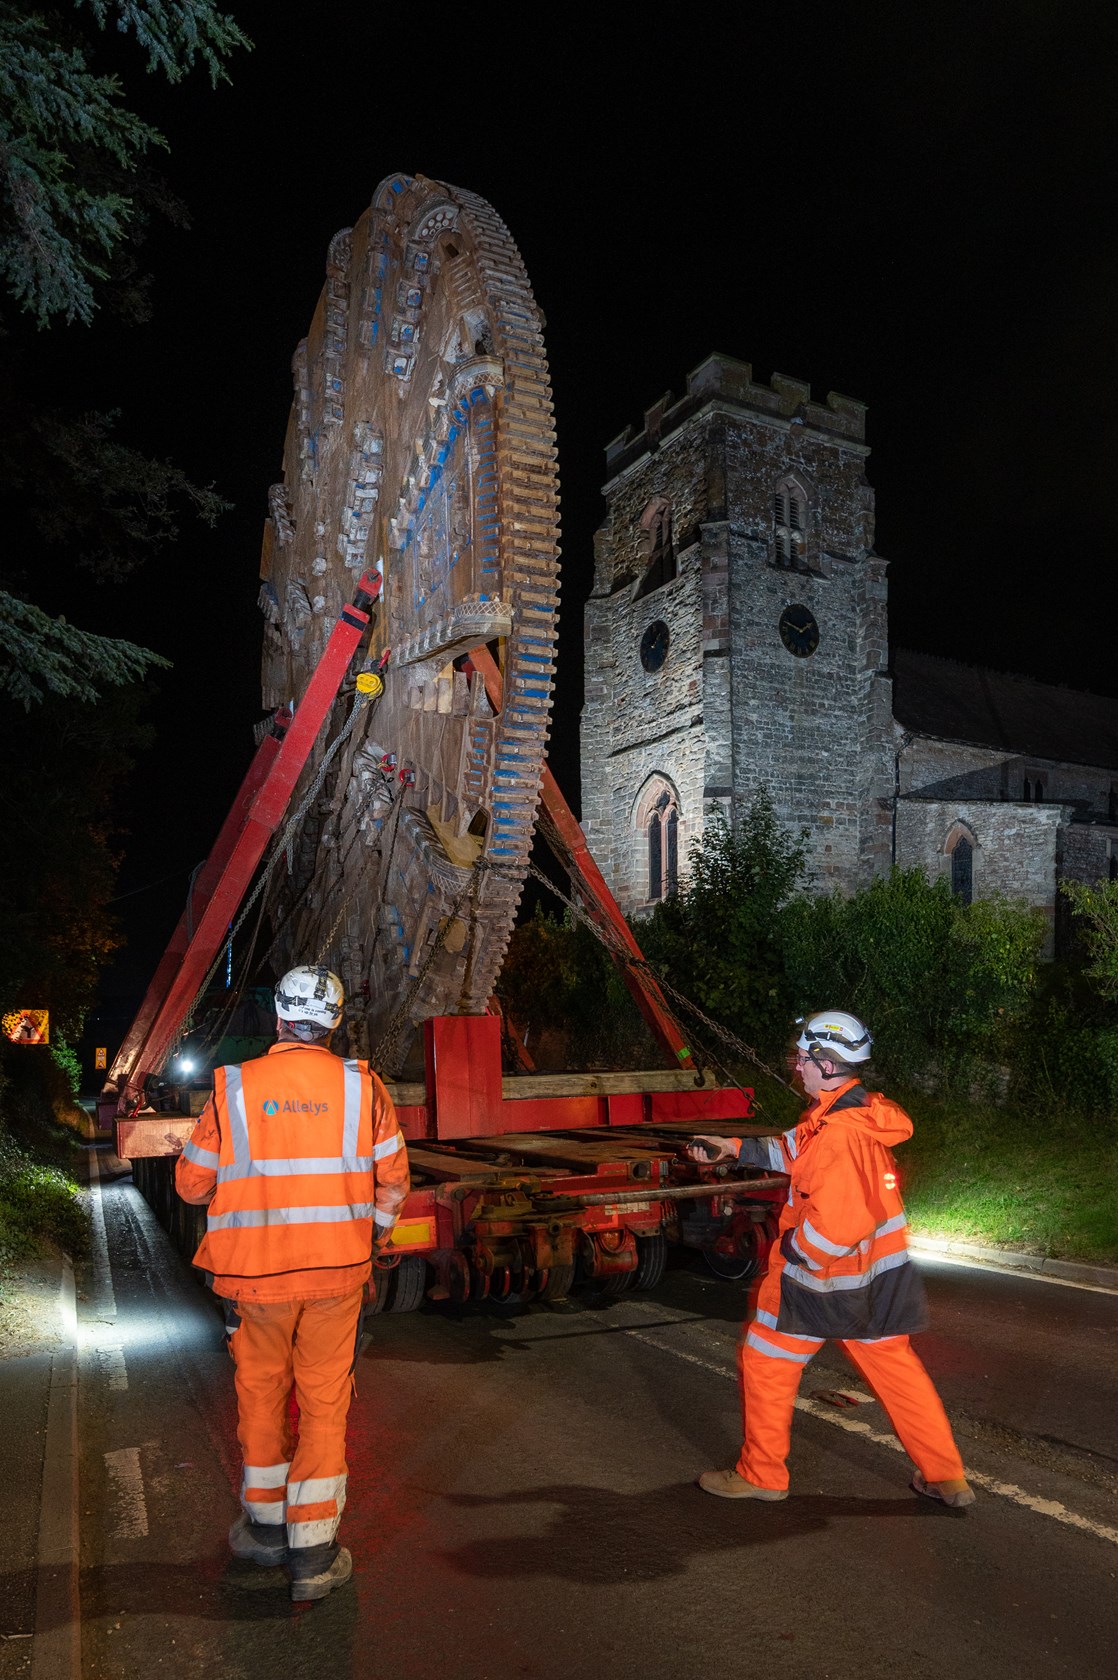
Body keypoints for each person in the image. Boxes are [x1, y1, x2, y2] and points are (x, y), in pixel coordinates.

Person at [175, 964, 410, 1599]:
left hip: (253, 1282)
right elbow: (393, 1182)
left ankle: (266, 1529)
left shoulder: (234, 1087)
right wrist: (374, 1235)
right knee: (325, 1406)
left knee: (260, 1396)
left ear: (279, 1018)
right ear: (334, 1024)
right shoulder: (365, 1089)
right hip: (336, 1277)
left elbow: (190, 1185)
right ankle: (313, 1552)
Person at [688, 1010, 974, 1509]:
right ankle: (946, 1475)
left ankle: (762, 1474)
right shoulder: (850, 1115)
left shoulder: (838, 1134)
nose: (796, 1067)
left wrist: (792, 1256)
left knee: (766, 1361)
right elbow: (794, 1149)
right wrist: (732, 1147)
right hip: (877, 1281)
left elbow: (838, 1226)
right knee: (897, 1371)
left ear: (825, 1061)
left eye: (802, 1058)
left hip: (823, 1282)